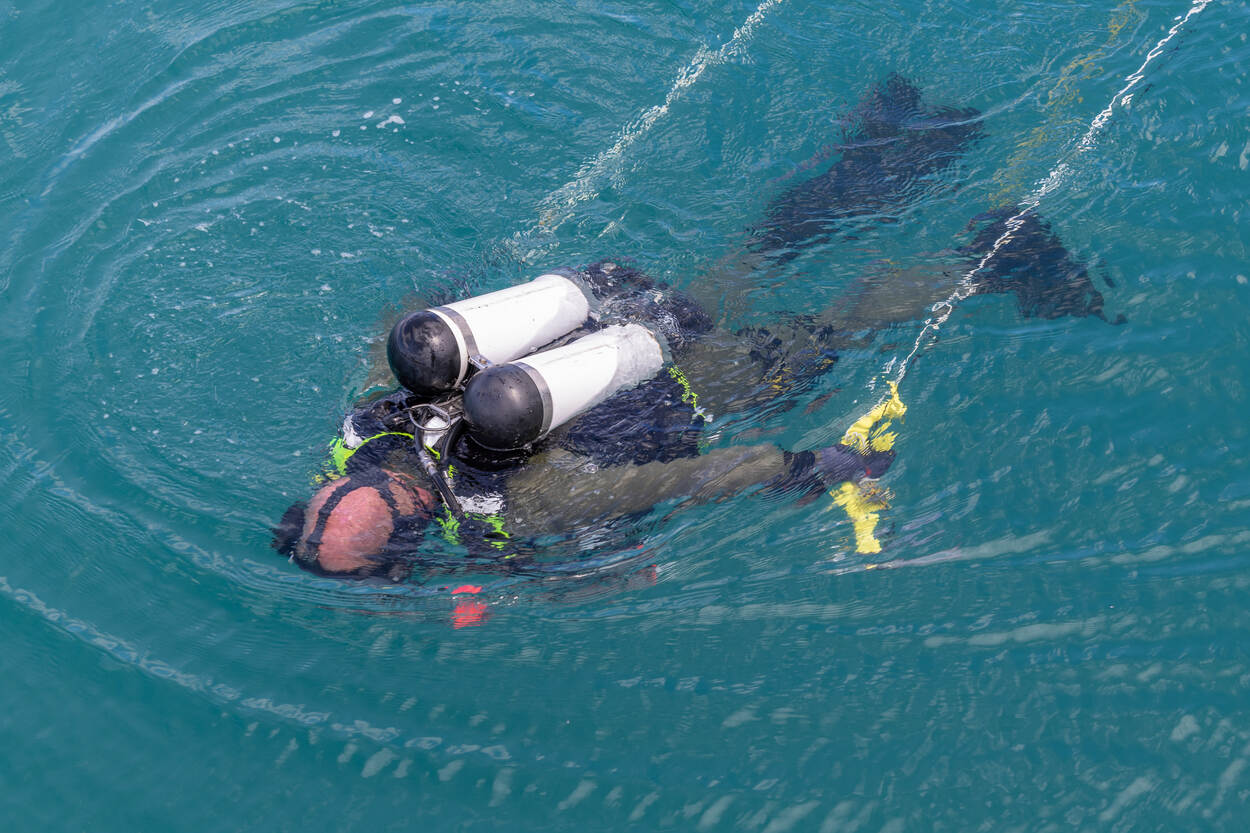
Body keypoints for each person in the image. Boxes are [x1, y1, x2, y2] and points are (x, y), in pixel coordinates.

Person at [273, 75, 1114, 580]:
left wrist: (816, 466)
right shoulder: (367, 423)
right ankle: (885, 140)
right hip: (603, 300)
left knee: (839, 325)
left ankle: (996, 255)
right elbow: (410, 318)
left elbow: (719, 470)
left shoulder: (518, 510)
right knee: (749, 255)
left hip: (680, 377)